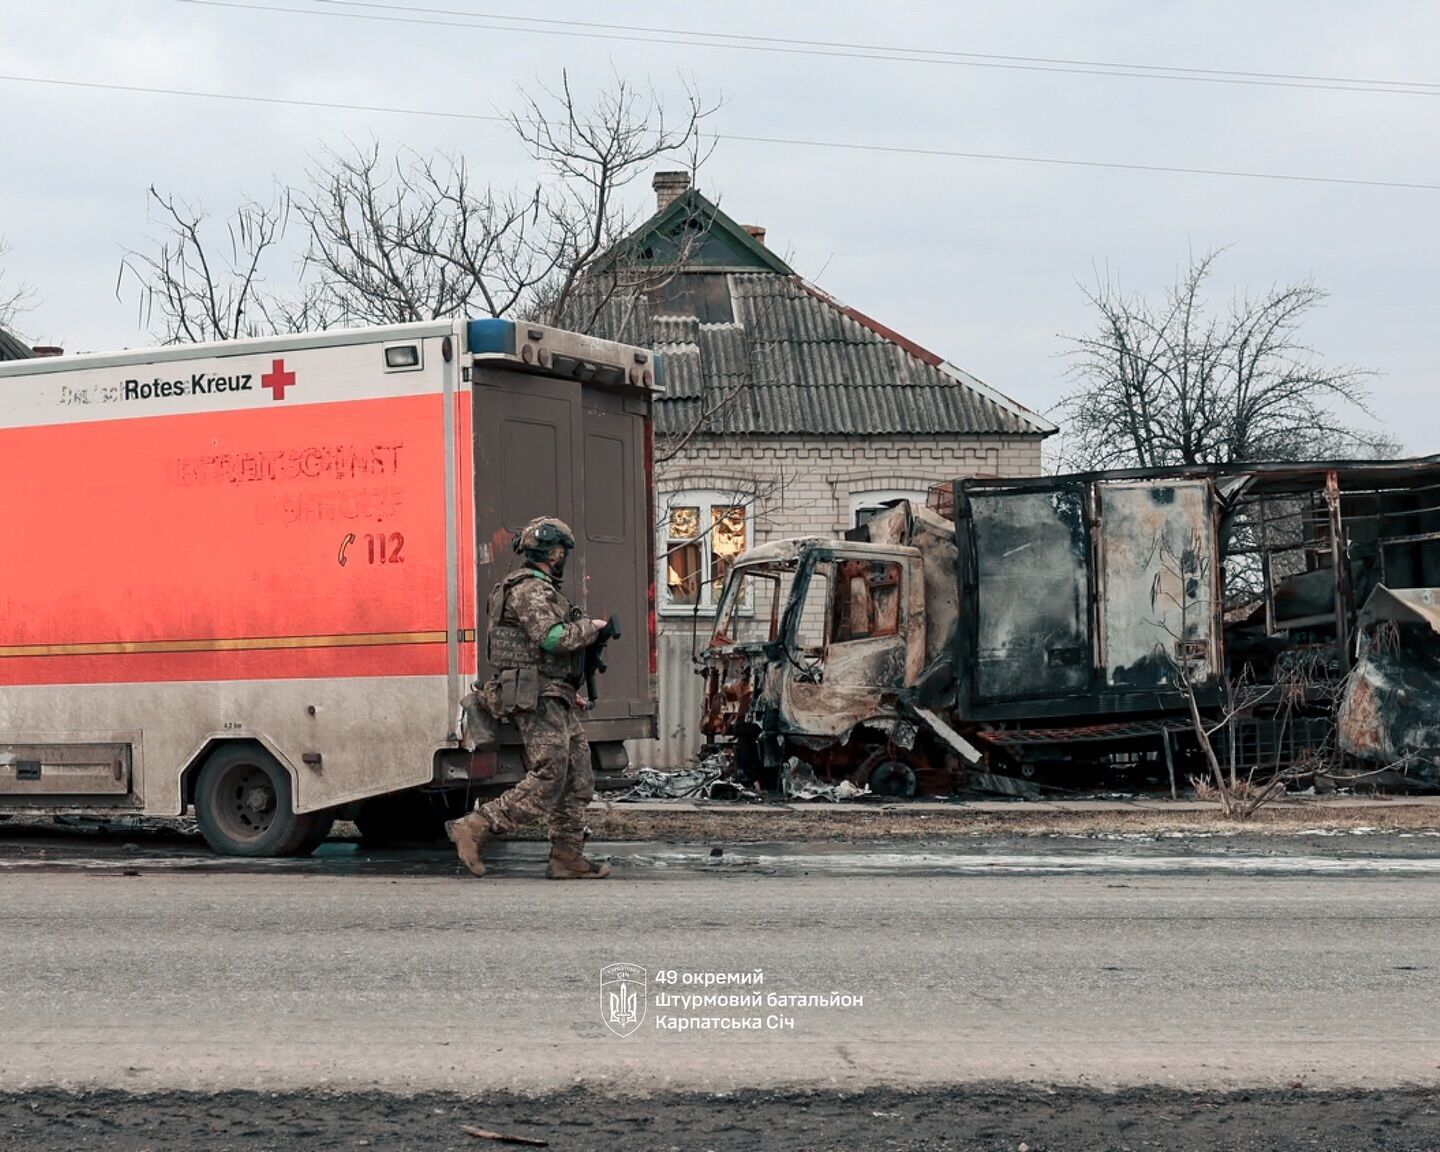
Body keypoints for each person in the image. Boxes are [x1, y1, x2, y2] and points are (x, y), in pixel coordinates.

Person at [445, 516, 612, 880]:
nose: (564, 556)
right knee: (551, 774)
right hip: (535, 697)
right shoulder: (529, 589)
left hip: (552, 693)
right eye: (562, 550)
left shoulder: (540, 588)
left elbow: (541, 653)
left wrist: (568, 689)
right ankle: (475, 826)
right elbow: (551, 638)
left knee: (577, 776)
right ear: (553, 552)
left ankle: (567, 855)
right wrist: (591, 628)